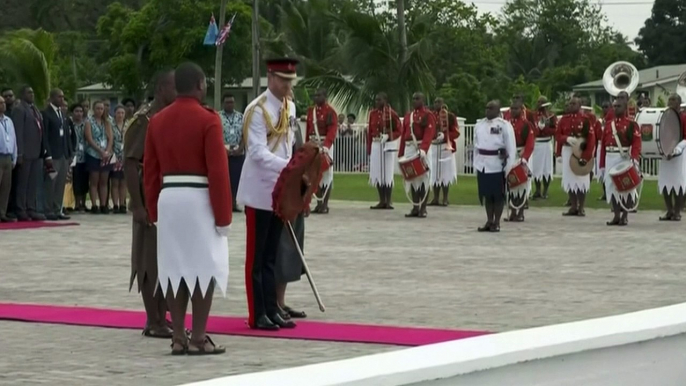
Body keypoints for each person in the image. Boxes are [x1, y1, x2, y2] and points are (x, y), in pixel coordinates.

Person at [144, 62, 231, 355]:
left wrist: (153, 211)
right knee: (204, 268)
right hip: (199, 198)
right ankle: (199, 337)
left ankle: (178, 336)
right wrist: (224, 215)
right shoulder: (209, 119)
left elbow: (151, 172)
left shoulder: (157, 120)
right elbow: (218, 171)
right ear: (199, 84)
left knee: (174, 269)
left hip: (168, 198)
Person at [237, 58, 299, 331]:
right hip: (260, 189)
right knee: (257, 256)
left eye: (290, 80)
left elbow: (288, 144)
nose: (287, 85)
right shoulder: (257, 110)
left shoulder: (289, 107)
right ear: (270, 77)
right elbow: (257, 152)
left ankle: (272, 308)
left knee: (272, 253)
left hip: (279, 190)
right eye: (283, 79)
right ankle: (257, 313)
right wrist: (289, 168)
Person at [124, 69, 177, 339]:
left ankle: (162, 317)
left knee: (164, 259)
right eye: (173, 86)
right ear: (160, 88)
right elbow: (131, 164)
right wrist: (137, 204)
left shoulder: (170, 117)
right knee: (148, 260)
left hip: (166, 195)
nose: (178, 90)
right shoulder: (143, 120)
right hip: (148, 196)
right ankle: (153, 320)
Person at [275, 91, 307, 321]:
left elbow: (302, 157)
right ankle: (272, 302)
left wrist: (304, 195)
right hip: (276, 192)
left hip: (295, 192)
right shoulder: (268, 120)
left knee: (291, 249)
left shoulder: (294, 123)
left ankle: (281, 301)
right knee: (278, 248)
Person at [11, 86, 51, 221]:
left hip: (36, 152)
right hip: (25, 153)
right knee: (23, 183)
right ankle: (21, 209)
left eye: (33, 92)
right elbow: (18, 132)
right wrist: (19, 153)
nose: (32, 94)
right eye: (29, 92)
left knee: (33, 183)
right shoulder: (19, 110)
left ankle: (31, 208)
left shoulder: (35, 109)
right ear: (22, 95)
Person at [474, 100, 516, 232]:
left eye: (491, 108)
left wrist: (508, 168)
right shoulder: (479, 125)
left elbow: (511, 148)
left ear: (498, 111)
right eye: (486, 108)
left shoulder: (504, 125)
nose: (487, 110)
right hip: (483, 164)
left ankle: (496, 222)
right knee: (487, 195)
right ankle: (489, 220)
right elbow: (476, 146)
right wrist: (477, 163)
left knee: (497, 196)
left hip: (498, 165)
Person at [598, 100, 641, 226]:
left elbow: (636, 142)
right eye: (614, 106)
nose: (616, 108)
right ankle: (616, 215)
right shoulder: (608, 124)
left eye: (619, 106)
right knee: (611, 186)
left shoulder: (631, 124)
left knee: (627, 187)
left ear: (625, 108)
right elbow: (603, 144)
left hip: (623, 157)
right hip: (610, 156)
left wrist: (634, 158)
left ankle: (625, 216)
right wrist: (601, 165)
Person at [556, 97, 595, 217]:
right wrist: (565, 139)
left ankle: (581, 207)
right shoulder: (563, 119)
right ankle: (573, 206)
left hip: (580, 151)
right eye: (570, 104)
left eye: (574, 104)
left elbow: (591, 139)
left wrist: (586, 156)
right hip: (568, 150)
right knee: (569, 180)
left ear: (579, 105)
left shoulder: (585, 119)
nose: (571, 105)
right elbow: (558, 135)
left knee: (581, 180)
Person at [399, 92, 436, 218]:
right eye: (413, 98)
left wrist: (424, 149)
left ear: (423, 100)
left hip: (421, 147)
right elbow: (404, 136)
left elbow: (429, 133)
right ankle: (415, 207)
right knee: (412, 177)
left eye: (417, 98)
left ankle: (423, 208)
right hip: (409, 148)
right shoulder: (408, 116)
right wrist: (401, 154)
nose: (415, 100)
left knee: (424, 177)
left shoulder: (427, 115)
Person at [41, 89, 72, 220]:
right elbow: (45, 136)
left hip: (63, 155)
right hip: (53, 156)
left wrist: (69, 153)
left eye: (63, 97)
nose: (62, 99)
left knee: (60, 184)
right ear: (52, 98)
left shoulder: (62, 114)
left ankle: (57, 208)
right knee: (51, 183)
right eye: (59, 97)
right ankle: (48, 210)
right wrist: (47, 154)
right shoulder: (46, 114)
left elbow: (67, 135)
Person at [306, 88, 338, 214]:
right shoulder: (311, 111)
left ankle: (325, 204)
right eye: (315, 95)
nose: (316, 97)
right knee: (315, 175)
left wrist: (326, 145)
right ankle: (318, 204)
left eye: (319, 95)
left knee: (326, 175)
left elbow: (332, 130)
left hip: (325, 145)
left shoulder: (330, 112)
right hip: (313, 145)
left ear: (325, 96)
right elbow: (309, 130)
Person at [367, 92, 401, 209]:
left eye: (379, 100)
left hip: (387, 144)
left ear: (385, 101)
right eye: (376, 100)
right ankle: (381, 200)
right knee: (377, 173)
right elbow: (369, 131)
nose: (377, 102)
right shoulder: (372, 113)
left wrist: (389, 136)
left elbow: (398, 129)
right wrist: (369, 148)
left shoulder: (391, 113)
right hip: (376, 143)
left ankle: (388, 200)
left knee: (387, 173)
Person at [657, 93, 686, 221]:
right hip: (665, 152)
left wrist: (676, 149)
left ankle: (677, 211)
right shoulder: (663, 117)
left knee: (678, 183)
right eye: (669, 99)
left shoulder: (684, 118)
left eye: (673, 100)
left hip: (679, 153)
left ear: (679, 103)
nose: (670, 102)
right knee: (665, 182)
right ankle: (669, 211)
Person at [505, 101, 535, 222]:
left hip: (522, 156)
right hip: (511, 155)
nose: (513, 111)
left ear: (521, 109)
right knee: (511, 183)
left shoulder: (526, 124)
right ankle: (513, 212)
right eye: (511, 108)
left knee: (522, 184)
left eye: (516, 108)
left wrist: (525, 158)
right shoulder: (506, 124)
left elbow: (530, 142)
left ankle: (521, 212)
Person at [84, 100, 114, 213]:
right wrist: (100, 151)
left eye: (102, 108)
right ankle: (94, 205)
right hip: (93, 154)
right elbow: (89, 138)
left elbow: (110, 138)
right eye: (98, 108)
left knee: (104, 181)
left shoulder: (107, 122)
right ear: (93, 109)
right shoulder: (89, 121)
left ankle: (103, 204)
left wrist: (106, 151)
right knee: (94, 180)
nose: (100, 111)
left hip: (106, 155)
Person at [428, 98, 459, 206]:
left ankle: (445, 198)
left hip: (445, 146)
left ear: (443, 103)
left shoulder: (449, 116)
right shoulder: (430, 115)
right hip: (434, 146)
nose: (436, 104)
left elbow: (456, 133)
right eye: (435, 102)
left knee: (445, 174)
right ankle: (435, 198)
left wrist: (445, 136)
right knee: (435, 174)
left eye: (439, 102)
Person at [219, 93, 244, 213]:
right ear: (223, 103)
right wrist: (224, 150)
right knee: (225, 179)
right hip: (223, 153)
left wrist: (240, 148)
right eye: (227, 102)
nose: (230, 104)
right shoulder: (218, 117)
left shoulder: (240, 117)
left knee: (236, 179)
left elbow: (245, 134)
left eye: (232, 102)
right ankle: (226, 204)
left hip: (238, 152)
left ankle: (234, 203)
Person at [531, 96, 557, 200]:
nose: (539, 104)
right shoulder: (533, 115)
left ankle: (545, 191)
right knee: (536, 168)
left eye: (541, 102)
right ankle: (537, 190)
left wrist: (546, 128)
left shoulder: (551, 115)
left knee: (547, 168)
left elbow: (555, 130)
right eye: (538, 102)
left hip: (547, 142)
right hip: (537, 143)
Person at [0, 96, 17, 222]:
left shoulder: (8, 121)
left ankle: (2, 213)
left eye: (3, 103)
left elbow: (13, 140)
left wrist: (14, 157)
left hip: (7, 157)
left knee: (6, 187)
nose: (3, 105)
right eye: (0, 103)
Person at [110, 105, 127, 213]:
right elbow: (109, 140)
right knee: (115, 182)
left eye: (122, 113)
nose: (120, 115)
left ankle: (122, 204)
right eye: (118, 113)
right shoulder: (111, 125)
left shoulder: (128, 125)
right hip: (115, 156)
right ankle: (115, 204)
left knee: (123, 182)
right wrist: (112, 155)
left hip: (125, 156)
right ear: (115, 114)